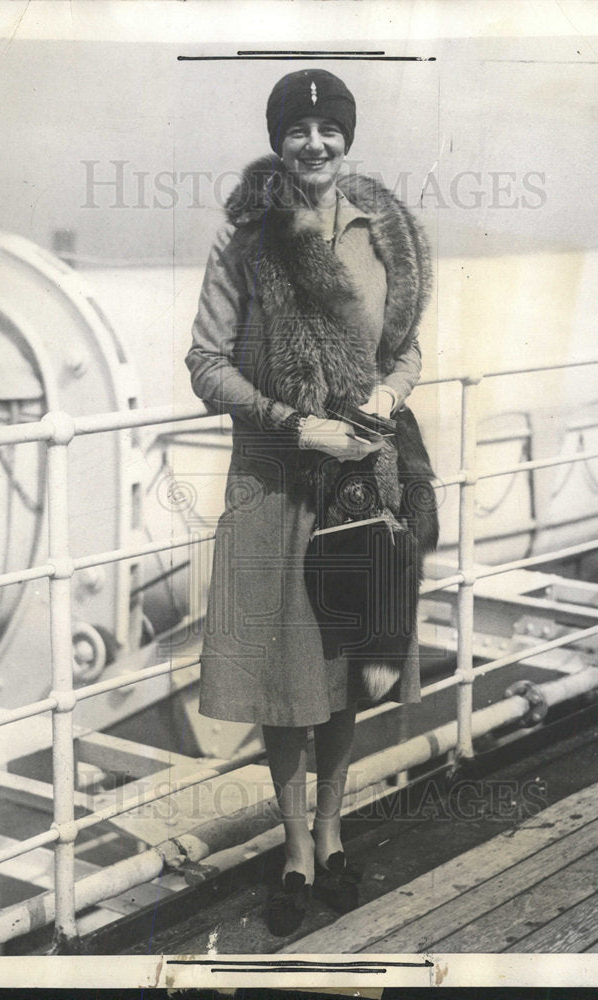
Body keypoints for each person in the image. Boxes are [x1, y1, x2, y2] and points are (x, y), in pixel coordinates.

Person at [185, 68, 437, 936]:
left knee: (343, 669)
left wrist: (386, 399)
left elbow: (405, 351)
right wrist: (297, 426)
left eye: (330, 129)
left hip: (362, 478)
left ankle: (332, 838)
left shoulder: (384, 233)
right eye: (299, 130)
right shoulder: (246, 240)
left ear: (346, 138)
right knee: (282, 678)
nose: (316, 144)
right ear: (277, 139)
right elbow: (205, 367)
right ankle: (294, 851)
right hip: (272, 479)